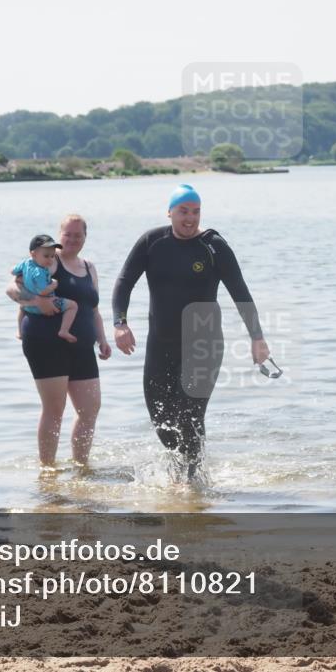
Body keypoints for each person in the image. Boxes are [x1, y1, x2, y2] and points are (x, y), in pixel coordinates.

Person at [111, 184, 270, 481]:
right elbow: (123, 282)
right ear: (169, 212)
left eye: (196, 212)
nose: (190, 219)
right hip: (161, 344)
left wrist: (257, 337)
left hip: (203, 345)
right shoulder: (151, 242)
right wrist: (120, 323)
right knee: (161, 420)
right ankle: (183, 470)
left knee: (189, 415)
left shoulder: (213, 247)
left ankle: (191, 485)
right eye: (183, 211)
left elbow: (241, 293)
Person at [7, 215, 110, 466]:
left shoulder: (89, 267)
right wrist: (35, 302)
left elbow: (94, 310)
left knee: (90, 409)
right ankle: (48, 469)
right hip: (46, 343)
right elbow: (11, 289)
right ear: (59, 236)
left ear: (85, 237)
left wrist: (103, 340)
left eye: (78, 235)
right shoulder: (49, 262)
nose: (73, 239)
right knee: (55, 409)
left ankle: (81, 466)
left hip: (82, 345)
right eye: (68, 234)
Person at [13, 234, 78, 343]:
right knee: (72, 306)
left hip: (28, 306)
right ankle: (64, 330)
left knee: (21, 307)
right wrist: (53, 284)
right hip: (48, 304)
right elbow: (42, 291)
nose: (50, 260)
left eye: (52, 256)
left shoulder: (25, 263)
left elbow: (13, 271)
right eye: (46, 256)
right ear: (33, 254)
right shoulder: (40, 272)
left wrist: (20, 278)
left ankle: (19, 331)